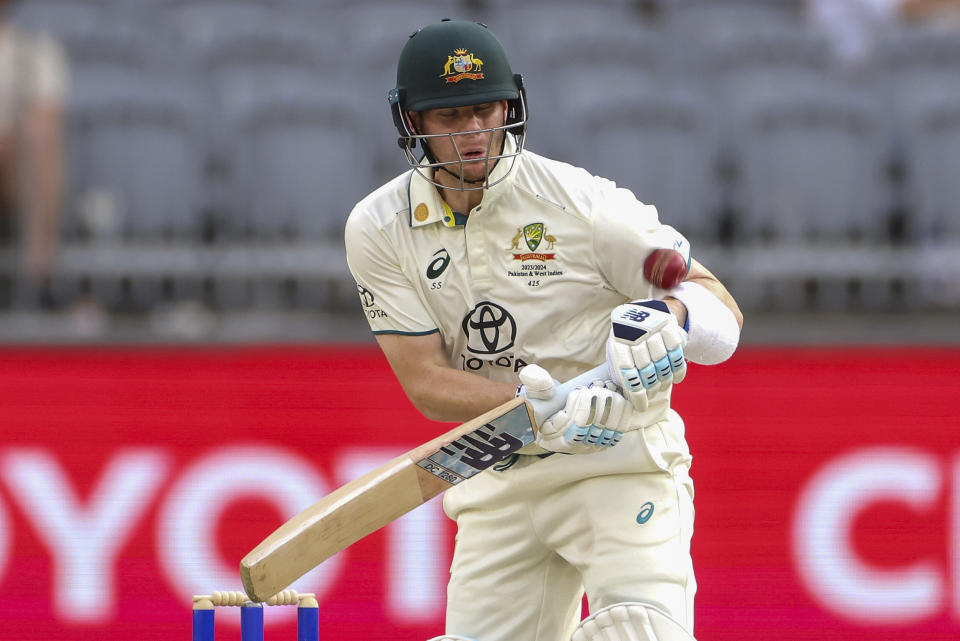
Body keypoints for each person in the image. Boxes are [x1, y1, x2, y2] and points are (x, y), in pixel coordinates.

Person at [345, 19, 743, 641]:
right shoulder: (379, 228)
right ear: (413, 124)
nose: (473, 134)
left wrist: (671, 317)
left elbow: (716, 302)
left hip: (620, 464)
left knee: (643, 632)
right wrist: (541, 407)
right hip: (499, 474)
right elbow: (425, 382)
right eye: (449, 119)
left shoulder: (584, 207)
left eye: (485, 111)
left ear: (511, 106)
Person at [0, 0, 68, 303]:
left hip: (14, 171)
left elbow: (44, 125)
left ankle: (38, 256)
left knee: (39, 133)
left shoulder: (35, 52)